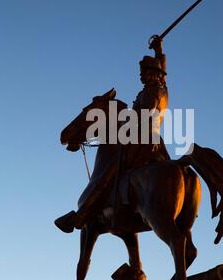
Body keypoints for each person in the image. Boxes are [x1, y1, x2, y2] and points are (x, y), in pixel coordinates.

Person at [55, 36, 170, 233]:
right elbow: (164, 72)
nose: (141, 75)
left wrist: (123, 124)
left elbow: (143, 117)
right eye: (141, 72)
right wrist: (159, 50)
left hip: (141, 139)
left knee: (108, 171)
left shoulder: (153, 91)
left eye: (144, 72)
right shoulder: (161, 87)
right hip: (154, 141)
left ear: (153, 73)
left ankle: (81, 215)